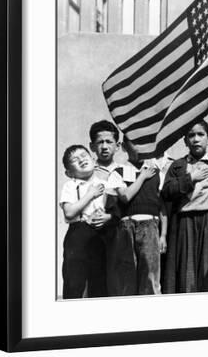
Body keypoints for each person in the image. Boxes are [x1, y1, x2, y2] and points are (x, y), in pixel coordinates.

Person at [161, 120, 208, 293]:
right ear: (185, 141)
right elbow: (167, 192)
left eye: (200, 135)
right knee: (186, 272)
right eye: (191, 135)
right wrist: (191, 178)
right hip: (185, 221)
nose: (196, 139)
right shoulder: (177, 166)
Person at [111, 139, 167, 295]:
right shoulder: (118, 172)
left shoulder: (157, 174)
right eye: (134, 143)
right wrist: (142, 177)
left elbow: (163, 208)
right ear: (124, 146)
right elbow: (125, 197)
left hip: (150, 225)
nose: (138, 148)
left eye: (142, 142)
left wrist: (163, 235)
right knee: (127, 276)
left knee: (151, 275)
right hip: (127, 227)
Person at [59, 145, 111, 298]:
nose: (81, 159)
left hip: (101, 235)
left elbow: (116, 212)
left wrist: (108, 218)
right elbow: (69, 213)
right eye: (75, 160)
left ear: (94, 160)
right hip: (78, 235)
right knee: (74, 283)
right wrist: (90, 195)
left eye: (84, 155)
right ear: (69, 172)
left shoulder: (107, 185)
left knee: (100, 284)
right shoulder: (70, 186)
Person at [88, 120, 126, 296]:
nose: (104, 146)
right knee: (94, 283)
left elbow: (130, 203)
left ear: (117, 146)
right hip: (92, 234)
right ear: (92, 146)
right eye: (99, 142)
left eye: (109, 142)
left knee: (118, 282)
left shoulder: (126, 172)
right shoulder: (86, 172)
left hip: (119, 234)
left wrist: (111, 217)